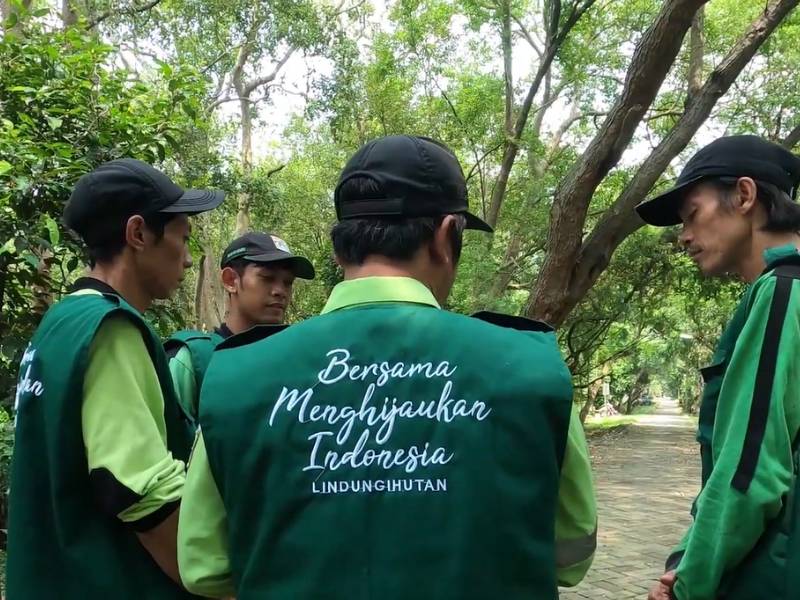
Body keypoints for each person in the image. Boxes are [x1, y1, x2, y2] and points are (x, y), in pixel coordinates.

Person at [177, 135, 597, 599]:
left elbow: (205, 568)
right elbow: (572, 553)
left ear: (340, 251)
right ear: (445, 236)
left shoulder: (236, 374)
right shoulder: (530, 367)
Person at [7, 158, 224, 598]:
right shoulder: (110, 329)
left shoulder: (61, 323)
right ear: (139, 234)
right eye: (182, 238)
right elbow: (137, 489)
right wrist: (219, 582)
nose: (186, 259)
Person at [637, 135, 800, 600]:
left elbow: (750, 473)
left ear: (745, 196)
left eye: (692, 215)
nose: (684, 236)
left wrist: (690, 583)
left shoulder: (783, 293)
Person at [166, 231, 315, 423]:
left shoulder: (295, 361)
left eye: (288, 283)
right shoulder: (194, 359)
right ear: (230, 281)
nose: (280, 291)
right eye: (267, 278)